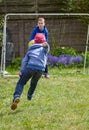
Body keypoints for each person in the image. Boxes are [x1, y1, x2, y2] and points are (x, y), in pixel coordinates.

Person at [11, 33, 50, 110]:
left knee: (21, 83)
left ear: (34, 41)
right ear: (43, 42)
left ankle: (17, 96)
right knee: (34, 83)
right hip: (40, 69)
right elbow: (47, 48)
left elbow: (24, 61)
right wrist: (46, 45)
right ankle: (29, 96)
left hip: (30, 67)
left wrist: (21, 71)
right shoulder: (44, 49)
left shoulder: (30, 49)